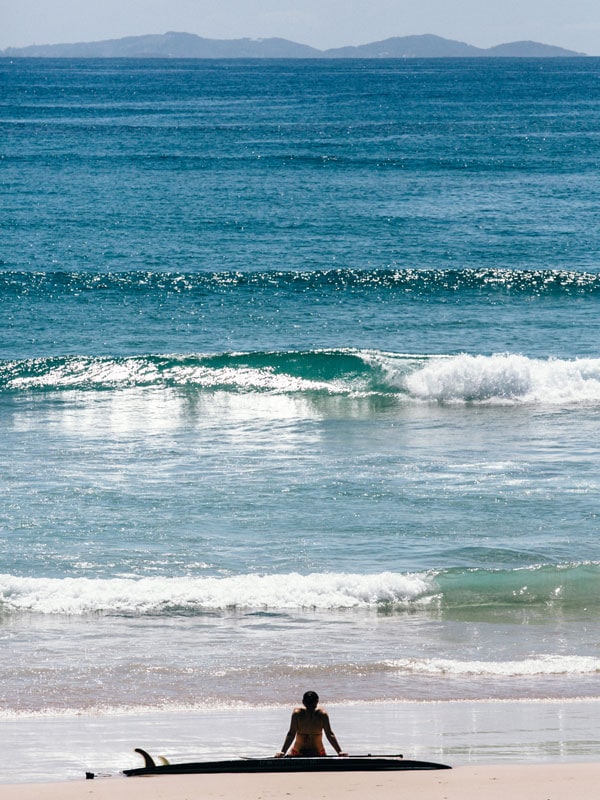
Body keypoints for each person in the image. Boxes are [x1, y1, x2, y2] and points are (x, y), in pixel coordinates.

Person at [275, 691, 347, 757]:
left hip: (318, 752)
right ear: (304, 702)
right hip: (297, 752)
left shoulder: (322, 715)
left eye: (311, 703)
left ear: (316, 702)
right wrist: (283, 752)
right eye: (308, 703)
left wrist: (339, 752)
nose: (310, 706)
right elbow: (291, 734)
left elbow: (329, 734)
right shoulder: (297, 714)